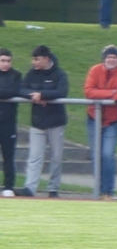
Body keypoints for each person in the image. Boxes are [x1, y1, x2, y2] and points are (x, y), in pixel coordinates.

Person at [83, 45, 117, 199]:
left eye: (114, 57)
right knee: (96, 155)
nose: (111, 60)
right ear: (104, 59)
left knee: (108, 155)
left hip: (112, 121)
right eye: (109, 57)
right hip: (93, 118)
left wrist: (101, 94)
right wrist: (111, 93)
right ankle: (99, 190)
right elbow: (88, 91)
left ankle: (108, 191)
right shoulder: (95, 70)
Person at [22, 46, 67, 197]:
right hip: (37, 122)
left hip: (56, 122)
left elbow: (62, 92)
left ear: (46, 59)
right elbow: (21, 89)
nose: (33, 62)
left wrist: (43, 95)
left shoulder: (59, 74)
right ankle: (30, 188)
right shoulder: (31, 74)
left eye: (37, 59)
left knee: (56, 158)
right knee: (35, 156)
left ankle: (53, 188)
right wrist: (33, 95)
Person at [0, 48, 18, 195]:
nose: (6, 64)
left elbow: (15, 91)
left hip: (8, 122)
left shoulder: (16, 75)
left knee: (8, 156)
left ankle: (8, 187)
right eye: (3, 61)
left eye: (8, 61)